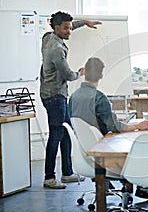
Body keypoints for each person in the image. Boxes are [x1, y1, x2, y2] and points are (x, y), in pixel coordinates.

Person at [68, 57, 148, 201]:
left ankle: (129, 188)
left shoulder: (73, 97)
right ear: (101, 76)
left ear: (84, 73)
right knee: (136, 149)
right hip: (103, 154)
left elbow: (84, 121)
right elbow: (113, 127)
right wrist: (137, 126)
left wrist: (112, 121)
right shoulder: (99, 98)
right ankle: (142, 188)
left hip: (84, 151)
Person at [40, 11, 101, 189]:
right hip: (54, 96)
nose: (69, 31)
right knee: (56, 135)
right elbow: (67, 74)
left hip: (51, 93)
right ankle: (49, 178)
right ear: (57, 27)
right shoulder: (57, 50)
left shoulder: (48, 36)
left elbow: (69, 26)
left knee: (66, 132)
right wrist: (80, 73)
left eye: (69, 27)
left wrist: (83, 23)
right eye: (66, 28)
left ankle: (67, 173)